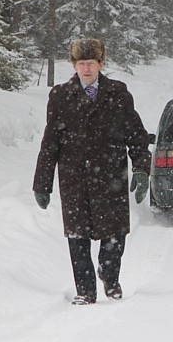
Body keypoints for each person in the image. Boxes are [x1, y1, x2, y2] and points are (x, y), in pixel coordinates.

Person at [33, 38, 151, 305]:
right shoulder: (61, 96)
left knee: (114, 234)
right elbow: (50, 142)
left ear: (101, 63)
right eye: (81, 64)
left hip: (111, 176)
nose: (86, 69)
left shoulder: (118, 93)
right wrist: (42, 183)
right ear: (74, 65)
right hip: (75, 178)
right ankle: (85, 290)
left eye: (91, 63)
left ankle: (110, 277)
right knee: (78, 236)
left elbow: (136, 136)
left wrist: (142, 169)